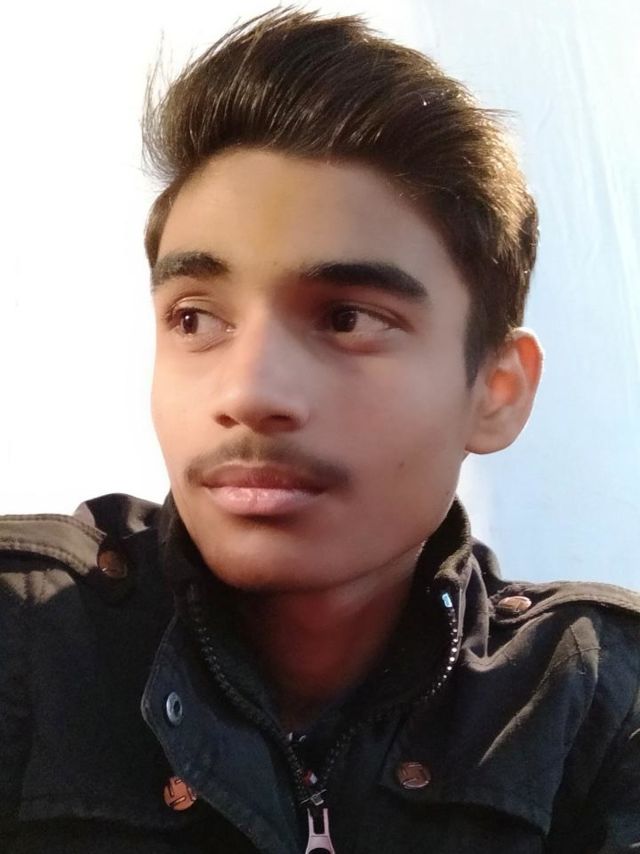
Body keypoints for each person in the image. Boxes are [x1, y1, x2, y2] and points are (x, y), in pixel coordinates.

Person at [1, 8, 638, 853]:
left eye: (346, 318)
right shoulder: (32, 637)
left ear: (496, 389)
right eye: (195, 319)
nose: (249, 391)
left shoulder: (592, 701)